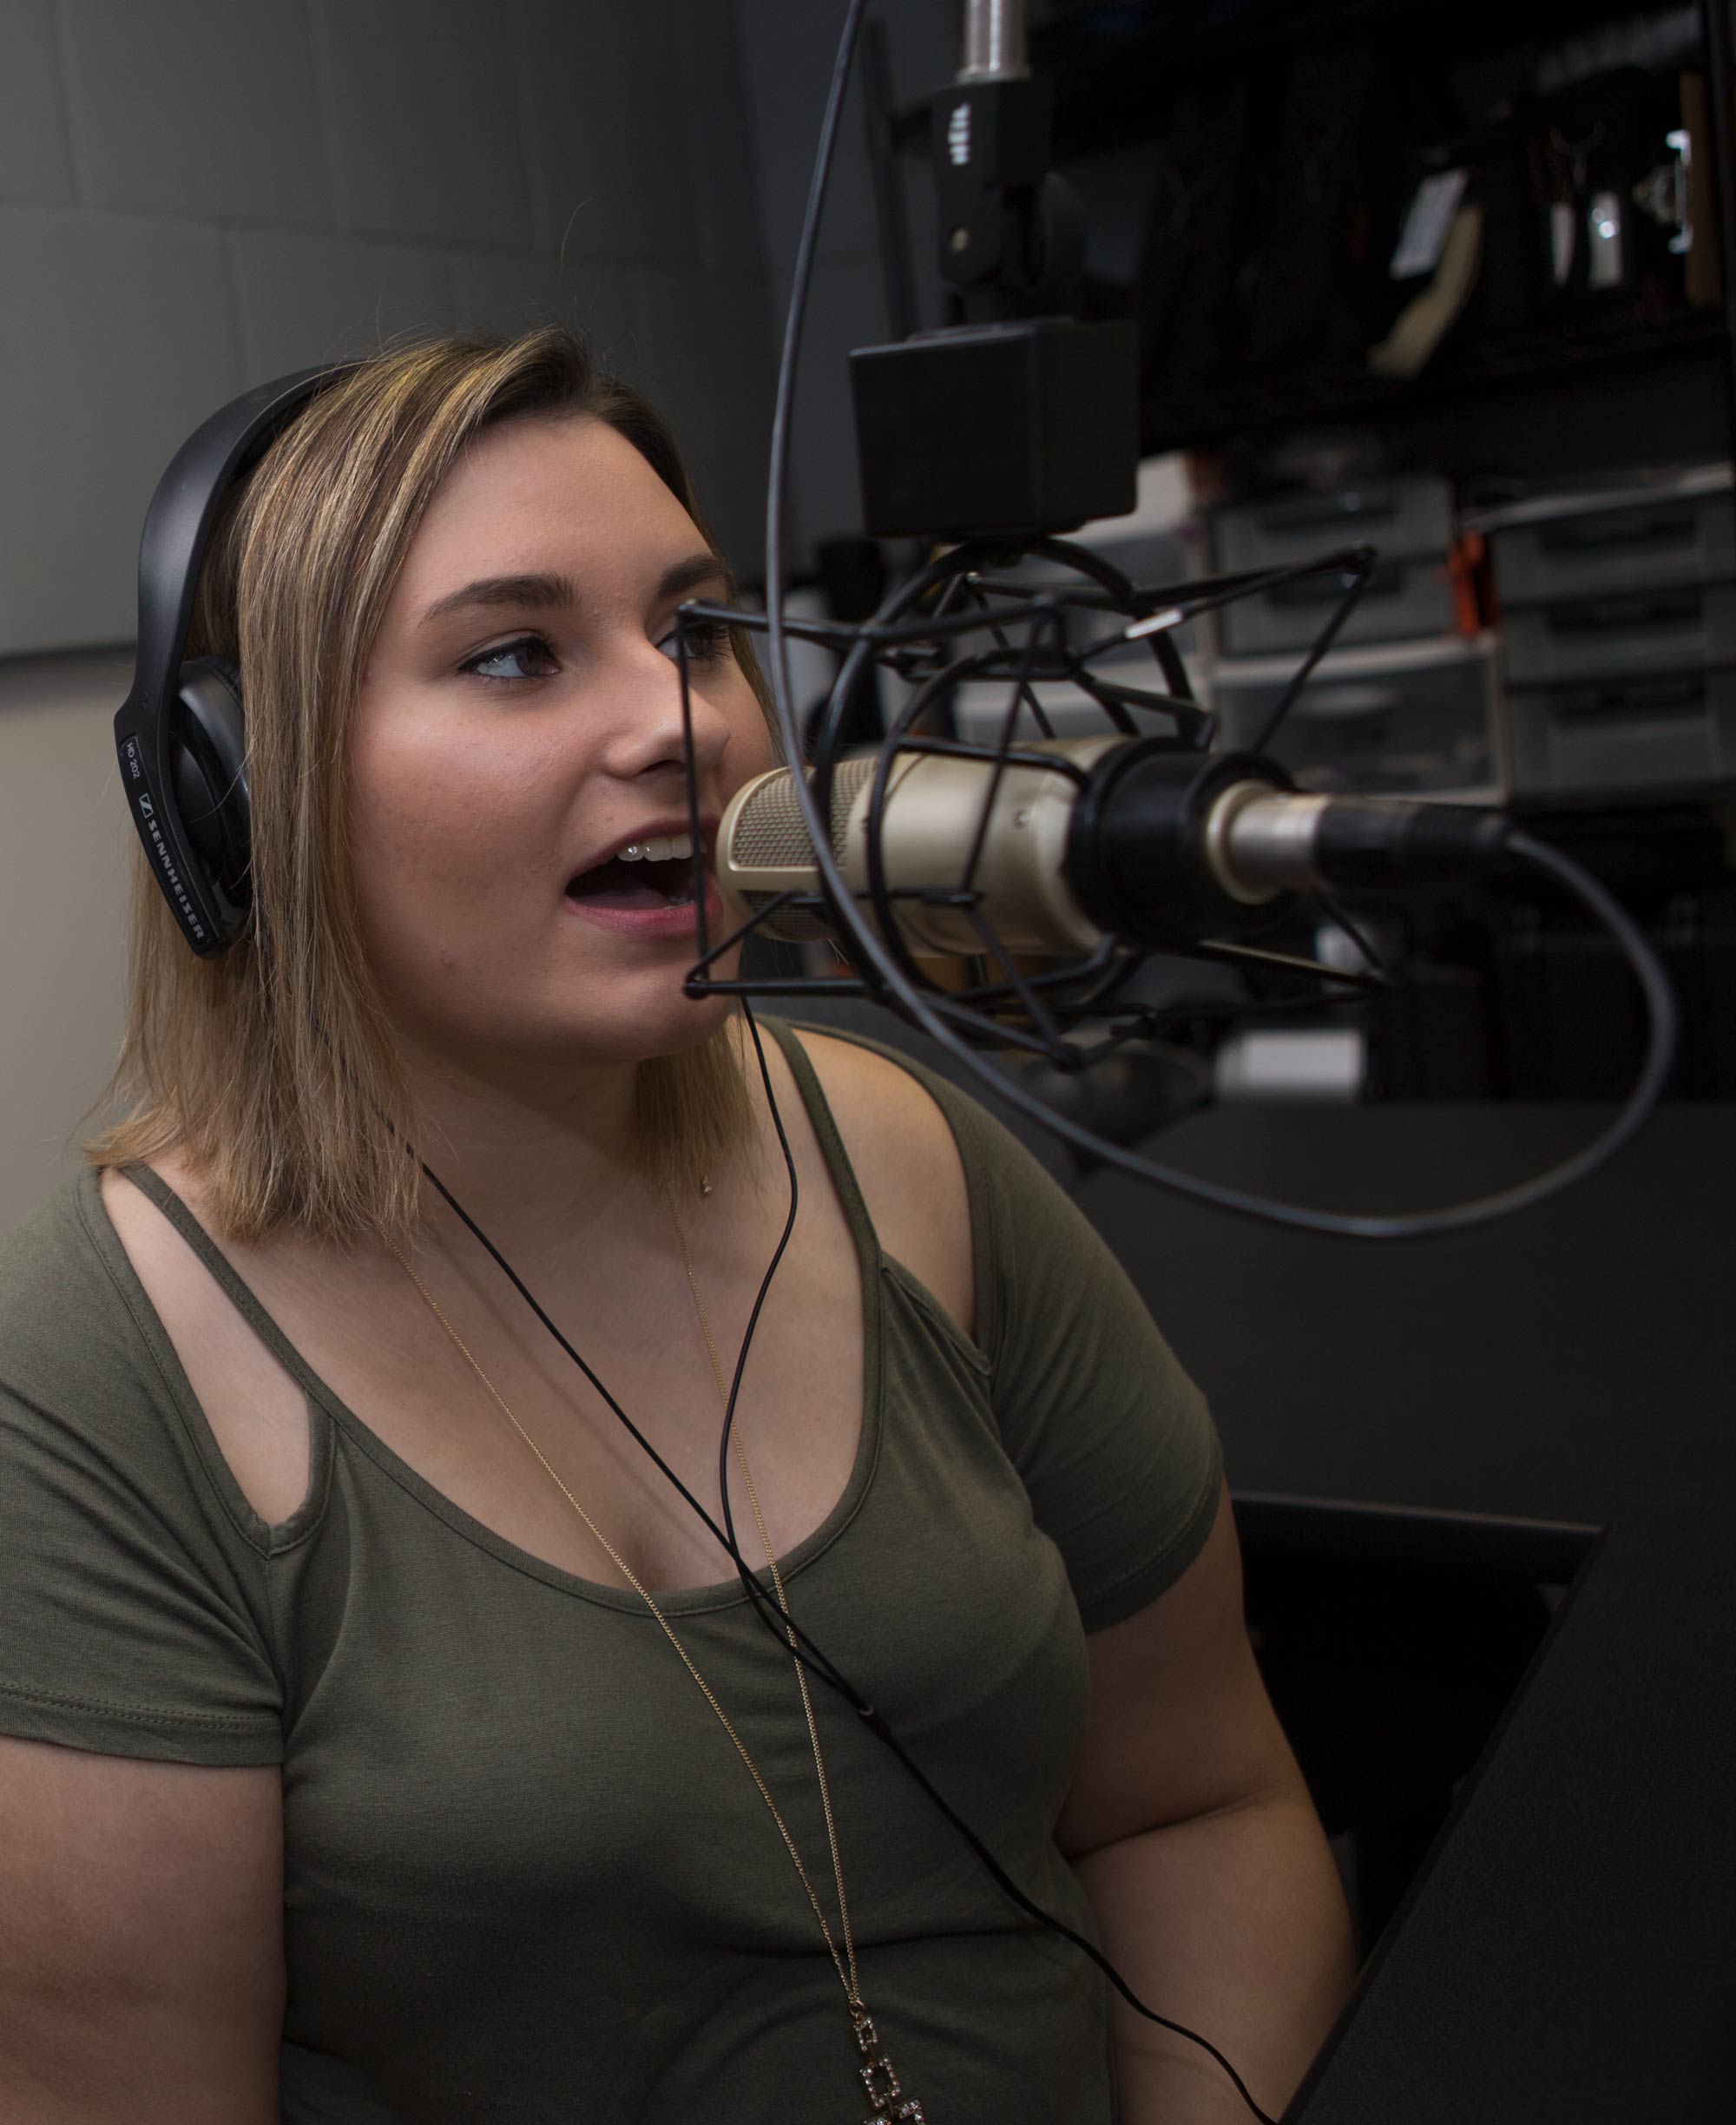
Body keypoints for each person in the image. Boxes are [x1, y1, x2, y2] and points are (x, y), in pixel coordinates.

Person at [0, 329, 1351, 2123]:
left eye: (700, 632)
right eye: (514, 655)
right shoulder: (95, 1375)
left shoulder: (913, 1161)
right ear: (240, 793)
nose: (689, 720)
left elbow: (1199, 1805)